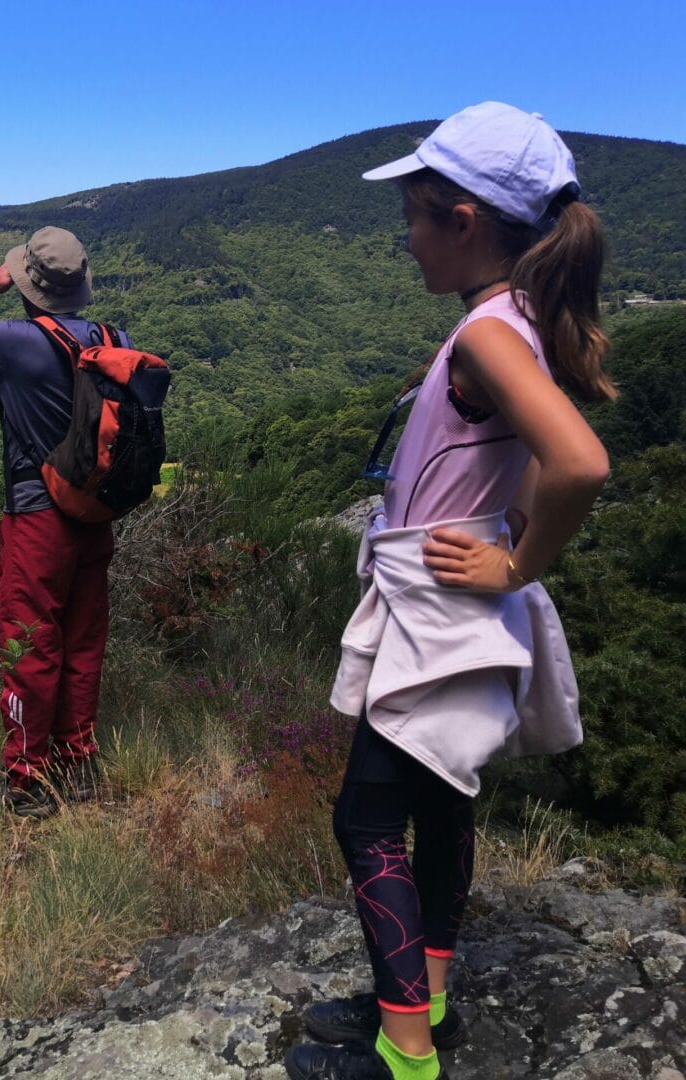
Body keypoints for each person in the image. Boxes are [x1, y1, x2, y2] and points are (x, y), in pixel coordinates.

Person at [287, 103, 615, 1080]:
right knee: (442, 795)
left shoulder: (486, 335)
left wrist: (518, 563)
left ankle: (408, 1054)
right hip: (457, 602)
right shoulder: (517, 321)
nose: (406, 240)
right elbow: (519, 465)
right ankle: (423, 995)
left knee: (367, 818)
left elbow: (580, 463)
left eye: (416, 219)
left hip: (438, 608)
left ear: (464, 221)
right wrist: (506, 543)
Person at [0, 226, 130, 818]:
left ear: (27, 283)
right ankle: (78, 760)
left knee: (30, 644)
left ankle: (28, 780)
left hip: (38, 518)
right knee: (84, 640)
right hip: (96, 512)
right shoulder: (116, 338)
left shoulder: (16, 340)